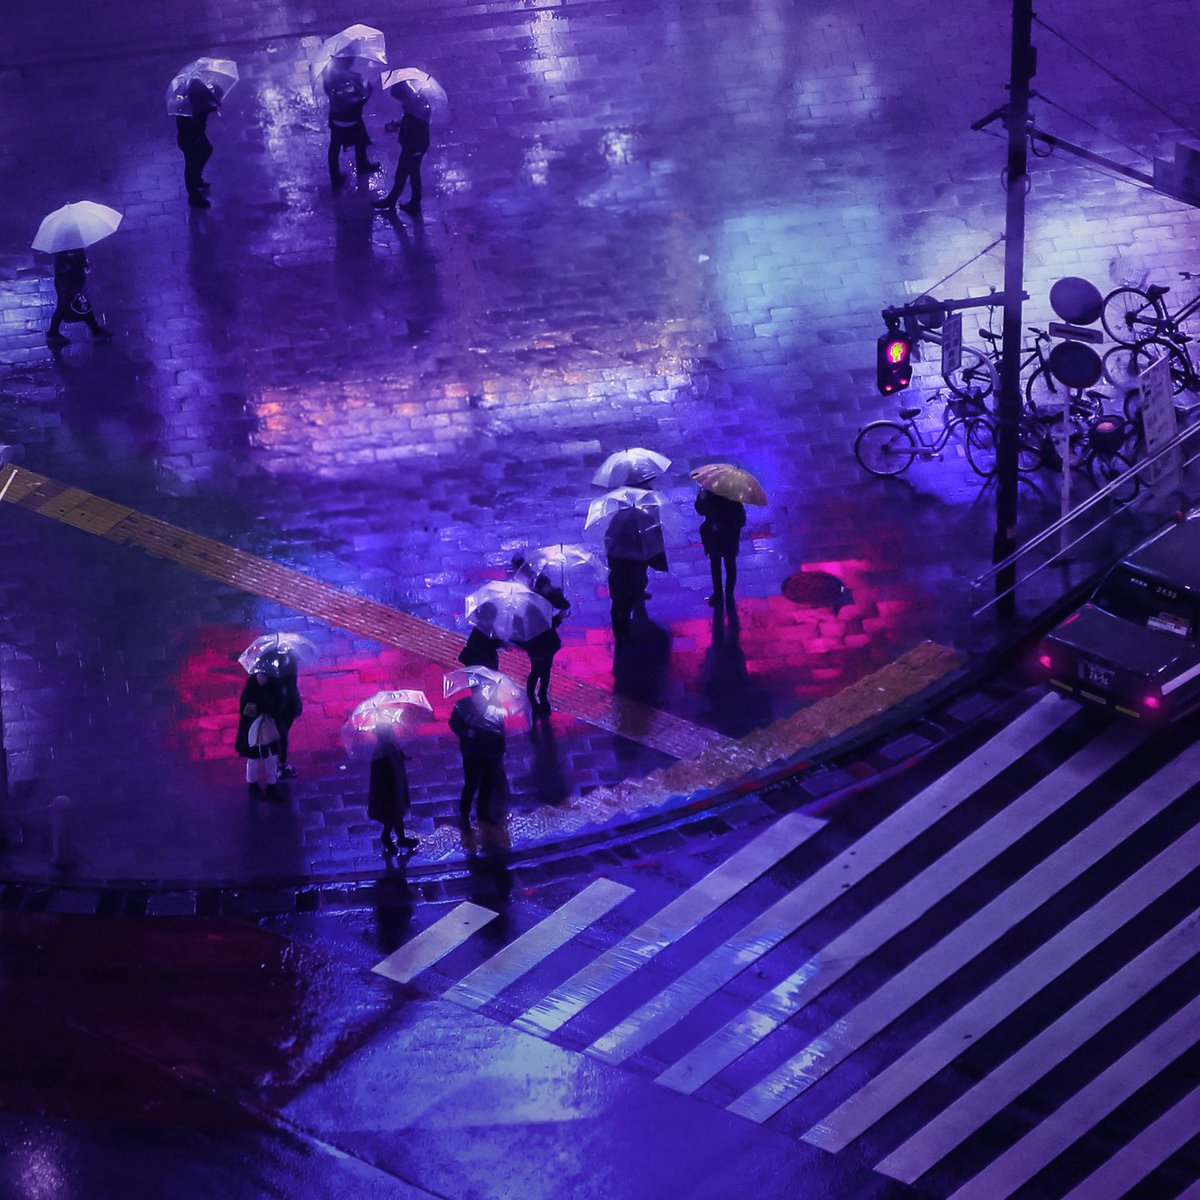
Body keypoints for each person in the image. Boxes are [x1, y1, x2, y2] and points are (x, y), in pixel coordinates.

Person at [509, 555, 570, 712]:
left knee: (545, 669)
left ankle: (542, 694)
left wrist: (557, 595)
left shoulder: (546, 598)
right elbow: (545, 626)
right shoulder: (534, 605)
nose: (549, 587)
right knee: (537, 669)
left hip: (545, 643)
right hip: (537, 642)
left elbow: (564, 604)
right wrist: (559, 618)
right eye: (547, 586)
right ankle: (532, 696)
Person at [449, 693, 506, 832]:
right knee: (471, 783)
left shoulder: (494, 703)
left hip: (490, 751)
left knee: (487, 783)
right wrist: (466, 732)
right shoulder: (463, 705)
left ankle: (482, 813)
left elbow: (500, 726)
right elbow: (453, 723)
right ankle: (464, 815)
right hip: (472, 752)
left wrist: (501, 747)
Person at [372, 83, 431, 214]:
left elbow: (413, 128)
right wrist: (396, 124)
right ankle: (393, 200)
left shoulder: (414, 109)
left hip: (413, 148)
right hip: (413, 147)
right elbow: (407, 120)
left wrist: (415, 151)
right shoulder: (416, 103)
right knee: (402, 174)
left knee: (412, 175)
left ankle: (413, 203)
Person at [324, 56, 379, 189]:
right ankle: (362, 165)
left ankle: (335, 176)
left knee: (334, 147)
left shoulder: (328, 76)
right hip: (352, 120)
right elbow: (361, 99)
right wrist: (369, 89)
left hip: (336, 119)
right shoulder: (354, 79)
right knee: (360, 141)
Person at [234, 663, 286, 799]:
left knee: (271, 758)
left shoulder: (274, 686)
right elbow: (245, 709)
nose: (262, 678)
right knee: (253, 759)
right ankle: (253, 784)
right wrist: (264, 706)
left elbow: (279, 706)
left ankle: (271, 785)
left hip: (269, 728)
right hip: (253, 729)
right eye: (260, 675)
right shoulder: (250, 688)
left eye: (264, 675)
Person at [368, 722, 419, 856]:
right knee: (393, 814)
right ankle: (387, 837)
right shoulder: (381, 752)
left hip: (396, 785)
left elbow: (398, 755)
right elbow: (381, 774)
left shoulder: (389, 746)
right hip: (389, 789)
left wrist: (404, 757)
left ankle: (400, 839)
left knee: (397, 814)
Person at [695, 487, 747, 608]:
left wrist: (724, 525)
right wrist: (701, 498)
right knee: (719, 564)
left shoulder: (731, 496)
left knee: (726, 564)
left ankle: (726, 593)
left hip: (726, 535)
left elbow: (740, 518)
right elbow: (701, 510)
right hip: (715, 536)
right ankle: (721, 594)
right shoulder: (710, 494)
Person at [175, 78, 223, 208]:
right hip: (189, 139)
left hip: (195, 136)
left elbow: (212, 101)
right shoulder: (191, 107)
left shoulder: (196, 100)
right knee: (191, 166)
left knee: (206, 151)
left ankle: (197, 179)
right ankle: (194, 195)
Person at [46, 249, 111, 344]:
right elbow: (66, 268)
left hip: (71, 282)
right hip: (69, 283)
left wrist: (84, 264)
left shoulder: (72, 247)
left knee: (75, 306)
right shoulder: (68, 250)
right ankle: (96, 331)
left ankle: (96, 330)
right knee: (75, 306)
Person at [272, 648, 304, 778]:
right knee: (282, 735)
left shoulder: (273, 669)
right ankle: (281, 764)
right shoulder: (291, 661)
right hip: (283, 707)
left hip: (284, 706)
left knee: (281, 735)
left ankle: (280, 764)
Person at [459, 603, 505, 669]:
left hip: (473, 663)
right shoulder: (488, 630)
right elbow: (495, 643)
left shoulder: (479, 627)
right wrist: (502, 643)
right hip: (485, 664)